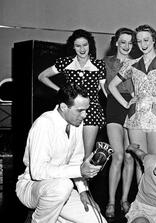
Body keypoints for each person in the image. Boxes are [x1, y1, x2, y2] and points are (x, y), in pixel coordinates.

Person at [16, 83, 108, 223]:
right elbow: (37, 172)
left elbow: (76, 160)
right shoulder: (44, 124)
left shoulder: (75, 124)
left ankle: (40, 218)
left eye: (86, 109)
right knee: (64, 185)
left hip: (57, 189)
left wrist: (82, 190)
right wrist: (79, 170)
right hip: (32, 187)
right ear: (64, 107)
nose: (85, 115)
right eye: (80, 110)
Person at [108, 25, 156, 160]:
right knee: (139, 162)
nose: (143, 44)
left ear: (154, 41)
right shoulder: (131, 64)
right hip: (136, 115)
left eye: (146, 40)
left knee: (154, 160)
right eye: (139, 41)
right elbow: (112, 86)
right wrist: (125, 103)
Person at [38, 29, 106, 158]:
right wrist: (61, 91)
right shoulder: (65, 62)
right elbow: (42, 76)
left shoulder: (99, 64)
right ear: (73, 47)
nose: (82, 49)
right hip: (71, 109)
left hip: (91, 111)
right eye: (78, 45)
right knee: (68, 153)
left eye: (85, 45)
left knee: (86, 155)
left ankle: (85, 178)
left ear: (90, 45)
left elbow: (103, 88)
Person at [103, 28, 137, 219]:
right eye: (123, 42)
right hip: (115, 106)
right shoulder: (107, 62)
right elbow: (105, 87)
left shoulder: (135, 63)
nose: (126, 46)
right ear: (116, 42)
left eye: (130, 43)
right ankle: (111, 201)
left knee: (130, 156)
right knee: (118, 155)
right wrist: (116, 101)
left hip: (131, 107)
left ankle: (124, 199)